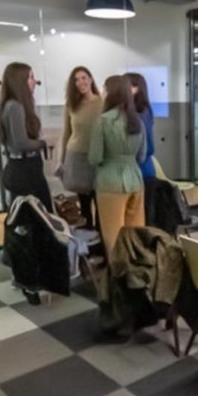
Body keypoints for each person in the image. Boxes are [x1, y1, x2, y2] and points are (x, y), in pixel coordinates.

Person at [89, 76, 147, 258]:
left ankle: (118, 277)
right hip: (136, 181)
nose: (102, 93)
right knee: (136, 235)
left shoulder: (103, 121)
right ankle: (137, 274)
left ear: (111, 93)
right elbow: (143, 156)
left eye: (104, 89)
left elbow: (95, 157)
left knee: (113, 236)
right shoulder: (137, 120)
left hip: (110, 183)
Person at [0, 62, 52, 211]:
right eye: (31, 77)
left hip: (18, 169)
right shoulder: (15, 106)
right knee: (39, 218)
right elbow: (21, 143)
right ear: (20, 81)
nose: (35, 82)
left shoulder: (6, 105)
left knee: (25, 217)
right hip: (26, 171)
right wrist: (43, 142)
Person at [60, 66, 103, 227]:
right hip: (77, 158)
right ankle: (89, 241)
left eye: (84, 77)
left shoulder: (103, 102)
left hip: (99, 158)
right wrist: (61, 160)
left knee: (101, 202)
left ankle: (102, 240)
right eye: (76, 80)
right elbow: (66, 133)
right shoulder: (71, 105)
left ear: (91, 79)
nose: (81, 82)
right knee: (84, 205)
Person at [124, 72, 155, 179]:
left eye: (126, 85)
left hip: (142, 166)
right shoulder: (133, 111)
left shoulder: (142, 112)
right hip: (137, 165)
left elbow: (148, 145)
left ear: (137, 89)